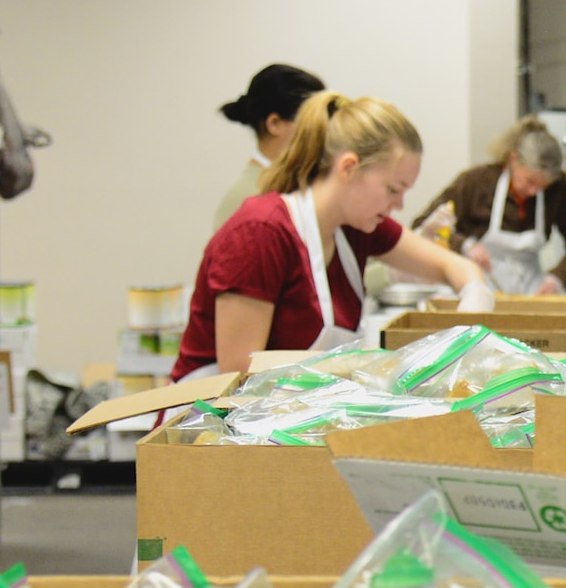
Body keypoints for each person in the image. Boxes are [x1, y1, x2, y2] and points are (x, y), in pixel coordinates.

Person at [175, 92, 493, 381]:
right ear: (348, 168)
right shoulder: (261, 232)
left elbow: (456, 267)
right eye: (393, 190)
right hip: (208, 420)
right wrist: (362, 368)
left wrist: (473, 303)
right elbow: (239, 368)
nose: (399, 205)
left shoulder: (357, 226)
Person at [411, 118, 566, 297]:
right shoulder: (476, 182)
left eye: (542, 187)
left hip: (532, 292)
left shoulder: (558, 191)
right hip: (475, 287)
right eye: (529, 181)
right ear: (513, 159)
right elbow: (424, 226)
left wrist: (558, 278)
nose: (533, 191)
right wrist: (465, 245)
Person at [213, 63, 322, 230]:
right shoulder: (245, 200)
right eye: (310, 124)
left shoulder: (307, 187)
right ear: (274, 124)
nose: (320, 134)